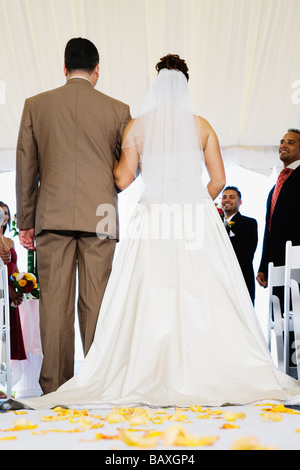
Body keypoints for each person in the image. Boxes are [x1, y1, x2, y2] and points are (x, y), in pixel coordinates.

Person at [3, 54, 300, 411]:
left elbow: (121, 179)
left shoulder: (139, 127)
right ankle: (203, 365)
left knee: (149, 289)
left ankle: (144, 368)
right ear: (185, 87)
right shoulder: (202, 125)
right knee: (201, 290)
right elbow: (219, 180)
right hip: (192, 219)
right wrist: (194, 202)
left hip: (152, 217)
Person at [14, 38, 131, 395]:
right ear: (97, 70)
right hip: (101, 216)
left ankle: (55, 388)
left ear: (64, 69)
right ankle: (98, 386)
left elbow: (25, 166)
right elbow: (129, 166)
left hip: (53, 215)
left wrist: (26, 220)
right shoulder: (118, 109)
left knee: (55, 305)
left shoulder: (36, 105)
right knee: (97, 303)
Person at [257, 129, 300, 288]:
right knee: (280, 310)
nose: (283, 145)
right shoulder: (274, 189)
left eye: (290, 142)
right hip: (277, 265)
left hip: (297, 260)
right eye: (282, 142)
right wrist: (264, 265)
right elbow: (269, 229)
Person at [221, 186, 258, 304]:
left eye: (232, 197)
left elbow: (246, 254)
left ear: (240, 202)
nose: (227, 200)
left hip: (240, 279)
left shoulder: (248, 223)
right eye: (224, 197)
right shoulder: (215, 224)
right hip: (219, 282)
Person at [0, 202, 26, 361]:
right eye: (2, 212)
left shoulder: (10, 241)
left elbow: (15, 268)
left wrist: (21, 288)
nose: (5, 216)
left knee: (9, 335)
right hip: (1, 292)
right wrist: (9, 292)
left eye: (7, 213)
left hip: (11, 292)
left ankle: (6, 379)